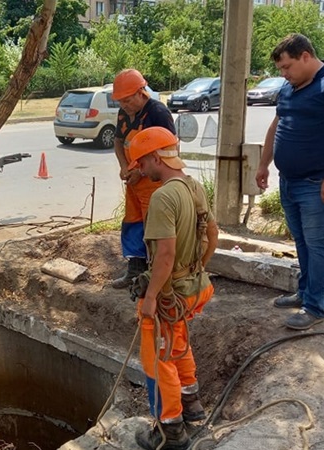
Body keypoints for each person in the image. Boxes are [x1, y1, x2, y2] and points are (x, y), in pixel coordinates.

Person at [256, 33, 324, 330]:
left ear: (306, 56)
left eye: (287, 66)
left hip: (321, 182)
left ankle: (315, 306)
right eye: (280, 69)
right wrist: (264, 164)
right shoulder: (290, 88)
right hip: (291, 180)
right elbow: (277, 125)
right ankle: (305, 292)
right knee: (302, 241)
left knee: (320, 245)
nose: (284, 73)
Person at [127, 127, 219, 450]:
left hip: (171, 295)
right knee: (178, 345)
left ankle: (171, 431)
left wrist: (151, 296)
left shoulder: (164, 196)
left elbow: (164, 255)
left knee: (159, 359)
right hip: (195, 287)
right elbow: (213, 233)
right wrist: (195, 269)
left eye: (141, 163)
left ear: (155, 157)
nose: (139, 170)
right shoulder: (193, 186)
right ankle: (192, 407)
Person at [110, 69, 177, 289]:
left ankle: (155, 275)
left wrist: (141, 171)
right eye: (120, 102)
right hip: (133, 182)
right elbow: (119, 142)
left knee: (155, 228)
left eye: (128, 100)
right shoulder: (123, 114)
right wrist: (123, 166)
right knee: (132, 223)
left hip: (153, 182)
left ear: (141, 92)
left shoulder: (157, 113)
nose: (124, 105)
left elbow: (168, 149)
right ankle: (135, 270)